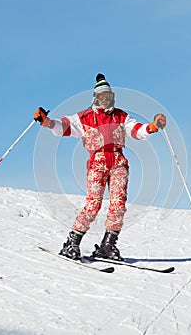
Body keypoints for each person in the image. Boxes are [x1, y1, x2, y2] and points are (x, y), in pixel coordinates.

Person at [34, 73, 166, 261]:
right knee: (93, 204)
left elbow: (137, 130)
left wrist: (153, 126)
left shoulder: (120, 116)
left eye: (109, 97)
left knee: (118, 204)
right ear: (95, 98)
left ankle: (108, 245)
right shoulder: (85, 117)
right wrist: (47, 122)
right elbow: (62, 126)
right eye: (102, 97)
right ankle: (72, 243)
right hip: (98, 163)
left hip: (118, 162)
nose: (106, 101)